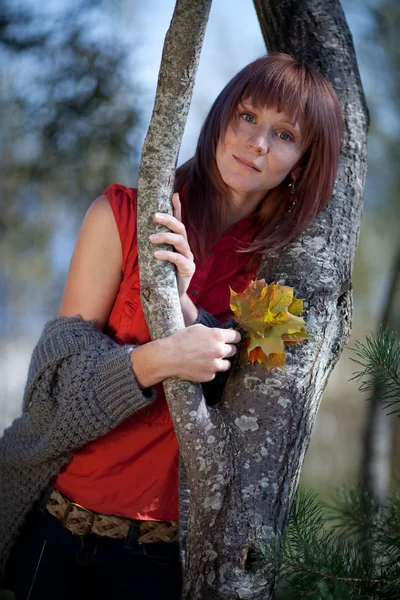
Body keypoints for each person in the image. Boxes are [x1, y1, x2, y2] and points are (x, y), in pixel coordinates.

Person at [0, 53, 343, 599]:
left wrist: (185, 311)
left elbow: (249, 409)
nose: (257, 142)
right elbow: (51, 396)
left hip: (159, 560)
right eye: (247, 116)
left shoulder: (279, 277)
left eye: (284, 134)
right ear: (221, 117)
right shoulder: (124, 218)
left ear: (302, 162)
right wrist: (158, 358)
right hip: (51, 528)